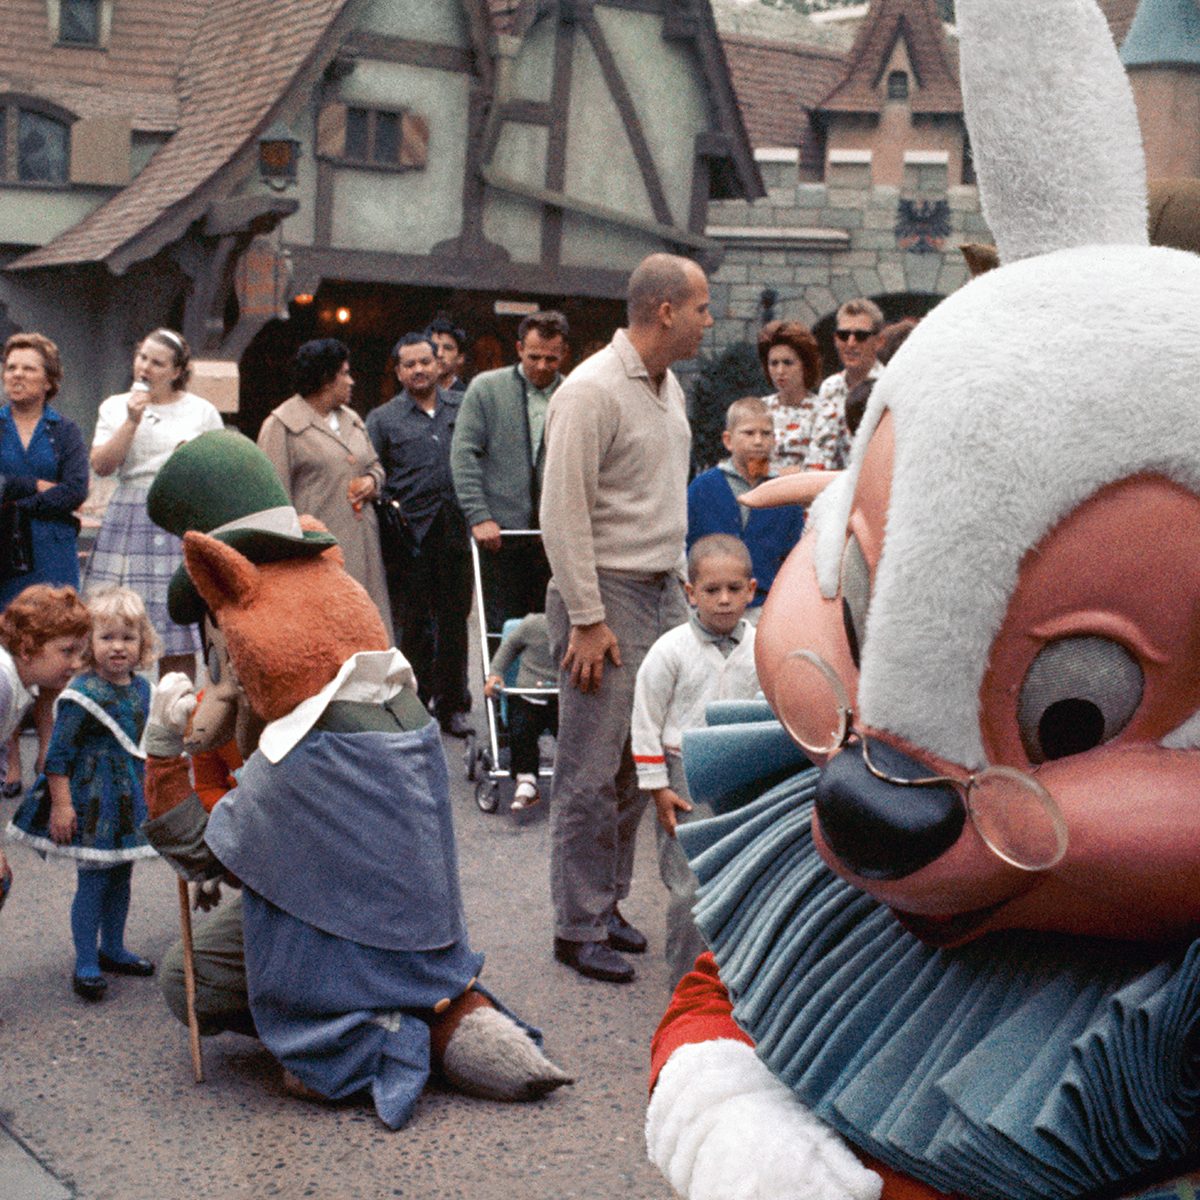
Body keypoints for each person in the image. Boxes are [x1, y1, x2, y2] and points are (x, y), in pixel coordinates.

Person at [540, 251, 709, 984]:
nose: (711, 319)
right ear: (666, 311)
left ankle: (606, 904)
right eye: (703, 306)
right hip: (604, 596)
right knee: (587, 769)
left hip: (659, 589)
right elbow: (561, 510)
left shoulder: (669, 389)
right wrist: (585, 615)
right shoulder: (591, 390)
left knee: (635, 765)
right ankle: (576, 926)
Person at [8, 586, 159, 1001]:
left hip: (126, 796)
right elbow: (57, 756)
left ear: (142, 642)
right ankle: (85, 960)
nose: (117, 647)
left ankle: (113, 946)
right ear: (90, 644)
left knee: (121, 877)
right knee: (93, 881)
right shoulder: (81, 694)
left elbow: (143, 743)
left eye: (128, 637)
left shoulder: (142, 689)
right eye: (106, 637)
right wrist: (61, 804)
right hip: (91, 801)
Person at [632, 534, 759, 987]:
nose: (724, 600)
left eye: (733, 589)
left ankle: (735, 983)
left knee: (742, 878)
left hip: (743, 774)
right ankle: (686, 988)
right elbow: (645, 718)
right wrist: (656, 785)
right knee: (689, 888)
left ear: (751, 589)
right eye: (711, 590)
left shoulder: (762, 647)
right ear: (690, 593)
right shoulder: (670, 650)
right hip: (685, 777)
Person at [85, 328, 223, 678]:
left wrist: (189, 461)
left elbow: (217, 466)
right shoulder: (115, 406)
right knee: (116, 624)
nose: (145, 367)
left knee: (175, 630)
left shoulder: (201, 411)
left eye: (157, 362)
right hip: (130, 513)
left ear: (177, 371)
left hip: (177, 514)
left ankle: (175, 721)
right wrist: (132, 420)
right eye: (142, 357)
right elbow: (102, 465)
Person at [367, 333, 473, 736]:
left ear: (439, 363)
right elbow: (373, 470)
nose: (419, 370)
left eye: (425, 362)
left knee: (453, 621)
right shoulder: (383, 418)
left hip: (455, 527)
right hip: (408, 533)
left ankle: (452, 706)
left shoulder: (462, 408)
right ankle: (411, 705)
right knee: (412, 624)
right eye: (409, 364)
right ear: (398, 372)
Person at [0, 334, 90, 796]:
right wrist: (31, 485)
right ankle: (9, 760)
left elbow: (75, 490)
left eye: (28, 368)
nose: (16, 375)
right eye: (11, 367)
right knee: (8, 655)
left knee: (54, 657)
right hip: (3, 555)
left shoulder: (65, 431)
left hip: (51, 552)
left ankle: (48, 760)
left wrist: (16, 498)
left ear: (49, 379)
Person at [256, 339, 392, 641]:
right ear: (325, 378)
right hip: (315, 555)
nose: (351, 380)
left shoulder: (352, 419)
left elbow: (376, 466)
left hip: (364, 549)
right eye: (344, 373)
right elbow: (272, 500)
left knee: (366, 635)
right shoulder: (282, 426)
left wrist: (372, 480)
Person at [450, 311, 568, 636]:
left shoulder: (575, 393)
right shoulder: (486, 389)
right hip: (500, 536)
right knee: (500, 631)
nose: (542, 366)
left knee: (551, 631)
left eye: (551, 359)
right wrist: (478, 515)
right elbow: (464, 453)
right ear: (518, 349)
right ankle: (503, 687)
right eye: (534, 357)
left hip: (554, 538)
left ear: (563, 355)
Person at [0, 586, 91, 934]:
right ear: (26, 648)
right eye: (66, 651)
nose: (76, 663)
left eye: (78, 652)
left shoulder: (19, 682)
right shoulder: (3, 682)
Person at [686, 396, 804, 620]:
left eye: (766, 434)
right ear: (728, 440)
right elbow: (688, 545)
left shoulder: (786, 492)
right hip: (712, 606)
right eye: (749, 433)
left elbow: (794, 555)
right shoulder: (703, 488)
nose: (758, 441)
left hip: (768, 606)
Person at [484, 612, 557, 814]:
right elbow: (508, 647)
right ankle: (526, 778)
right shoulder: (532, 625)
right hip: (528, 695)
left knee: (574, 736)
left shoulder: (580, 631)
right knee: (521, 731)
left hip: (562, 697)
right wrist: (496, 673)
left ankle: (577, 780)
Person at [757, 320, 844, 473]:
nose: (780, 371)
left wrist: (768, 471)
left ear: (805, 365)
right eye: (774, 363)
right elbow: (749, 468)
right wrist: (790, 471)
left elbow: (815, 471)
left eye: (788, 363)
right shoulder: (759, 409)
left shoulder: (825, 412)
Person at [815, 297, 884, 453]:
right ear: (835, 340)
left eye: (860, 336)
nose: (851, 343)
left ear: (879, 341)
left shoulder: (889, 388)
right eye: (843, 335)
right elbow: (820, 447)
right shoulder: (829, 387)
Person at [425, 315, 469, 395]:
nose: (439, 354)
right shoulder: (414, 397)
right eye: (434, 347)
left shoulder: (467, 398)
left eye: (447, 348)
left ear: (460, 358)